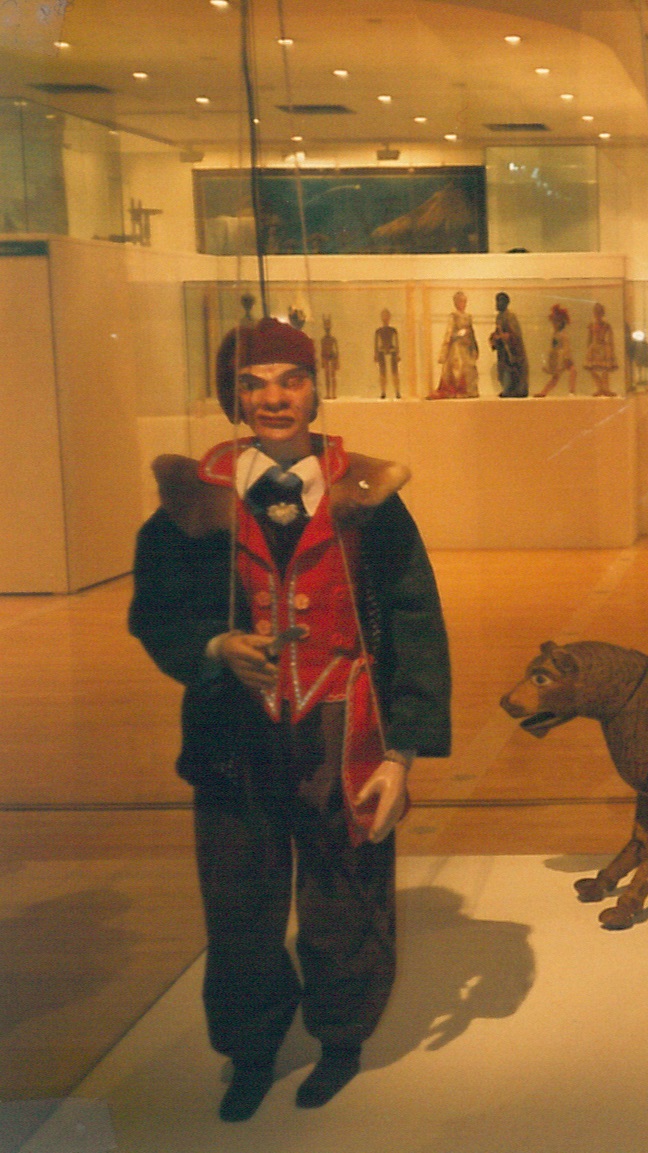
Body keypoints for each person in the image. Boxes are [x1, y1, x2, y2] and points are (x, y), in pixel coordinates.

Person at [130, 317, 451, 1122]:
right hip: (232, 739)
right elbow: (156, 612)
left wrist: (402, 751)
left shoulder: (368, 496)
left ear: (315, 388)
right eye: (253, 383)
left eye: (290, 379)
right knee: (239, 902)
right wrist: (212, 646)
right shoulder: (193, 500)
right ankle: (251, 1048)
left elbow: (413, 620)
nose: (274, 398)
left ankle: (341, 1036)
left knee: (345, 892)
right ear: (232, 395)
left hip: (343, 729)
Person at [432, 290, 478, 398]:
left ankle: (469, 391)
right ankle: (457, 390)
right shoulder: (453, 316)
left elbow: (472, 333)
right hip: (456, 347)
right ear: (456, 303)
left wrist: (474, 347)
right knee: (457, 367)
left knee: (470, 367)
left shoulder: (468, 317)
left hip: (466, 347)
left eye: (464, 301)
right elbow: (449, 333)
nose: (463, 304)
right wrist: (460, 334)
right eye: (460, 301)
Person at [490, 291, 529, 398]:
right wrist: (495, 338)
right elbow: (498, 332)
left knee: (512, 371)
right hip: (504, 352)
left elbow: (515, 335)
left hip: (512, 353)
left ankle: (515, 390)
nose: (497, 304)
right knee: (504, 371)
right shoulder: (499, 317)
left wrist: (505, 336)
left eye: (500, 301)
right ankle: (507, 389)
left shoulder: (510, 316)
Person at [535, 304, 576, 397]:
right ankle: (544, 392)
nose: (554, 324)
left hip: (563, 357)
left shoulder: (562, 334)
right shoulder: (557, 334)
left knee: (572, 371)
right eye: (554, 321)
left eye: (556, 322)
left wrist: (566, 357)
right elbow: (555, 347)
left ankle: (571, 391)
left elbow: (565, 347)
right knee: (557, 377)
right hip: (559, 357)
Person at [583, 302, 618, 397]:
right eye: (596, 312)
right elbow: (589, 338)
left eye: (599, 312)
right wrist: (588, 349)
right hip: (594, 348)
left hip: (604, 348)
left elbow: (610, 338)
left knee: (605, 370)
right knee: (592, 370)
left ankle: (606, 389)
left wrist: (611, 350)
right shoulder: (591, 325)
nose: (597, 314)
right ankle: (600, 388)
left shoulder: (606, 325)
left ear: (602, 313)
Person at [374, 308, 400, 399]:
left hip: (392, 352)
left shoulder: (393, 330)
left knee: (394, 372)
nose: (385, 318)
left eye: (387, 316)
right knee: (382, 373)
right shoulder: (378, 331)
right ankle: (383, 391)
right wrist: (376, 354)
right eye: (383, 316)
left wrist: (397, 354)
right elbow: (376, 343)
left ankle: (397, 391)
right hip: (382, 352)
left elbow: (396, 342)